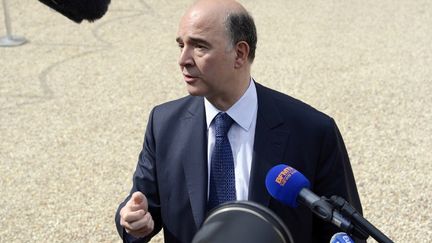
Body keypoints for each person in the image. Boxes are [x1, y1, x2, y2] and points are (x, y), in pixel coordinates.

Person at [115, 0, 364, 242]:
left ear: (240, 53)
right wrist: (133, 221)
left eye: (199, 46)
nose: (183, 59)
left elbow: (344, 232)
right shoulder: (164, 124)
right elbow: (140, 207)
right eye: (181, 45)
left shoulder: (312, 131)